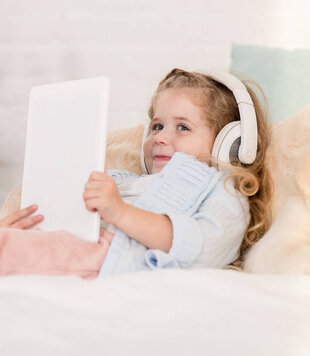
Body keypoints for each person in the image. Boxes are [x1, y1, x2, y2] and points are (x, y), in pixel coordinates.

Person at [0, 68, 272, 278]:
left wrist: (119, 211)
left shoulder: (222, 190)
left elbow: (203, 247)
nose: (160, 138)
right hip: (76, 240)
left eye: (182, 127)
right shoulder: (126, 179)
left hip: (111, 257)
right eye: (156, 126)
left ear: (229, 144)